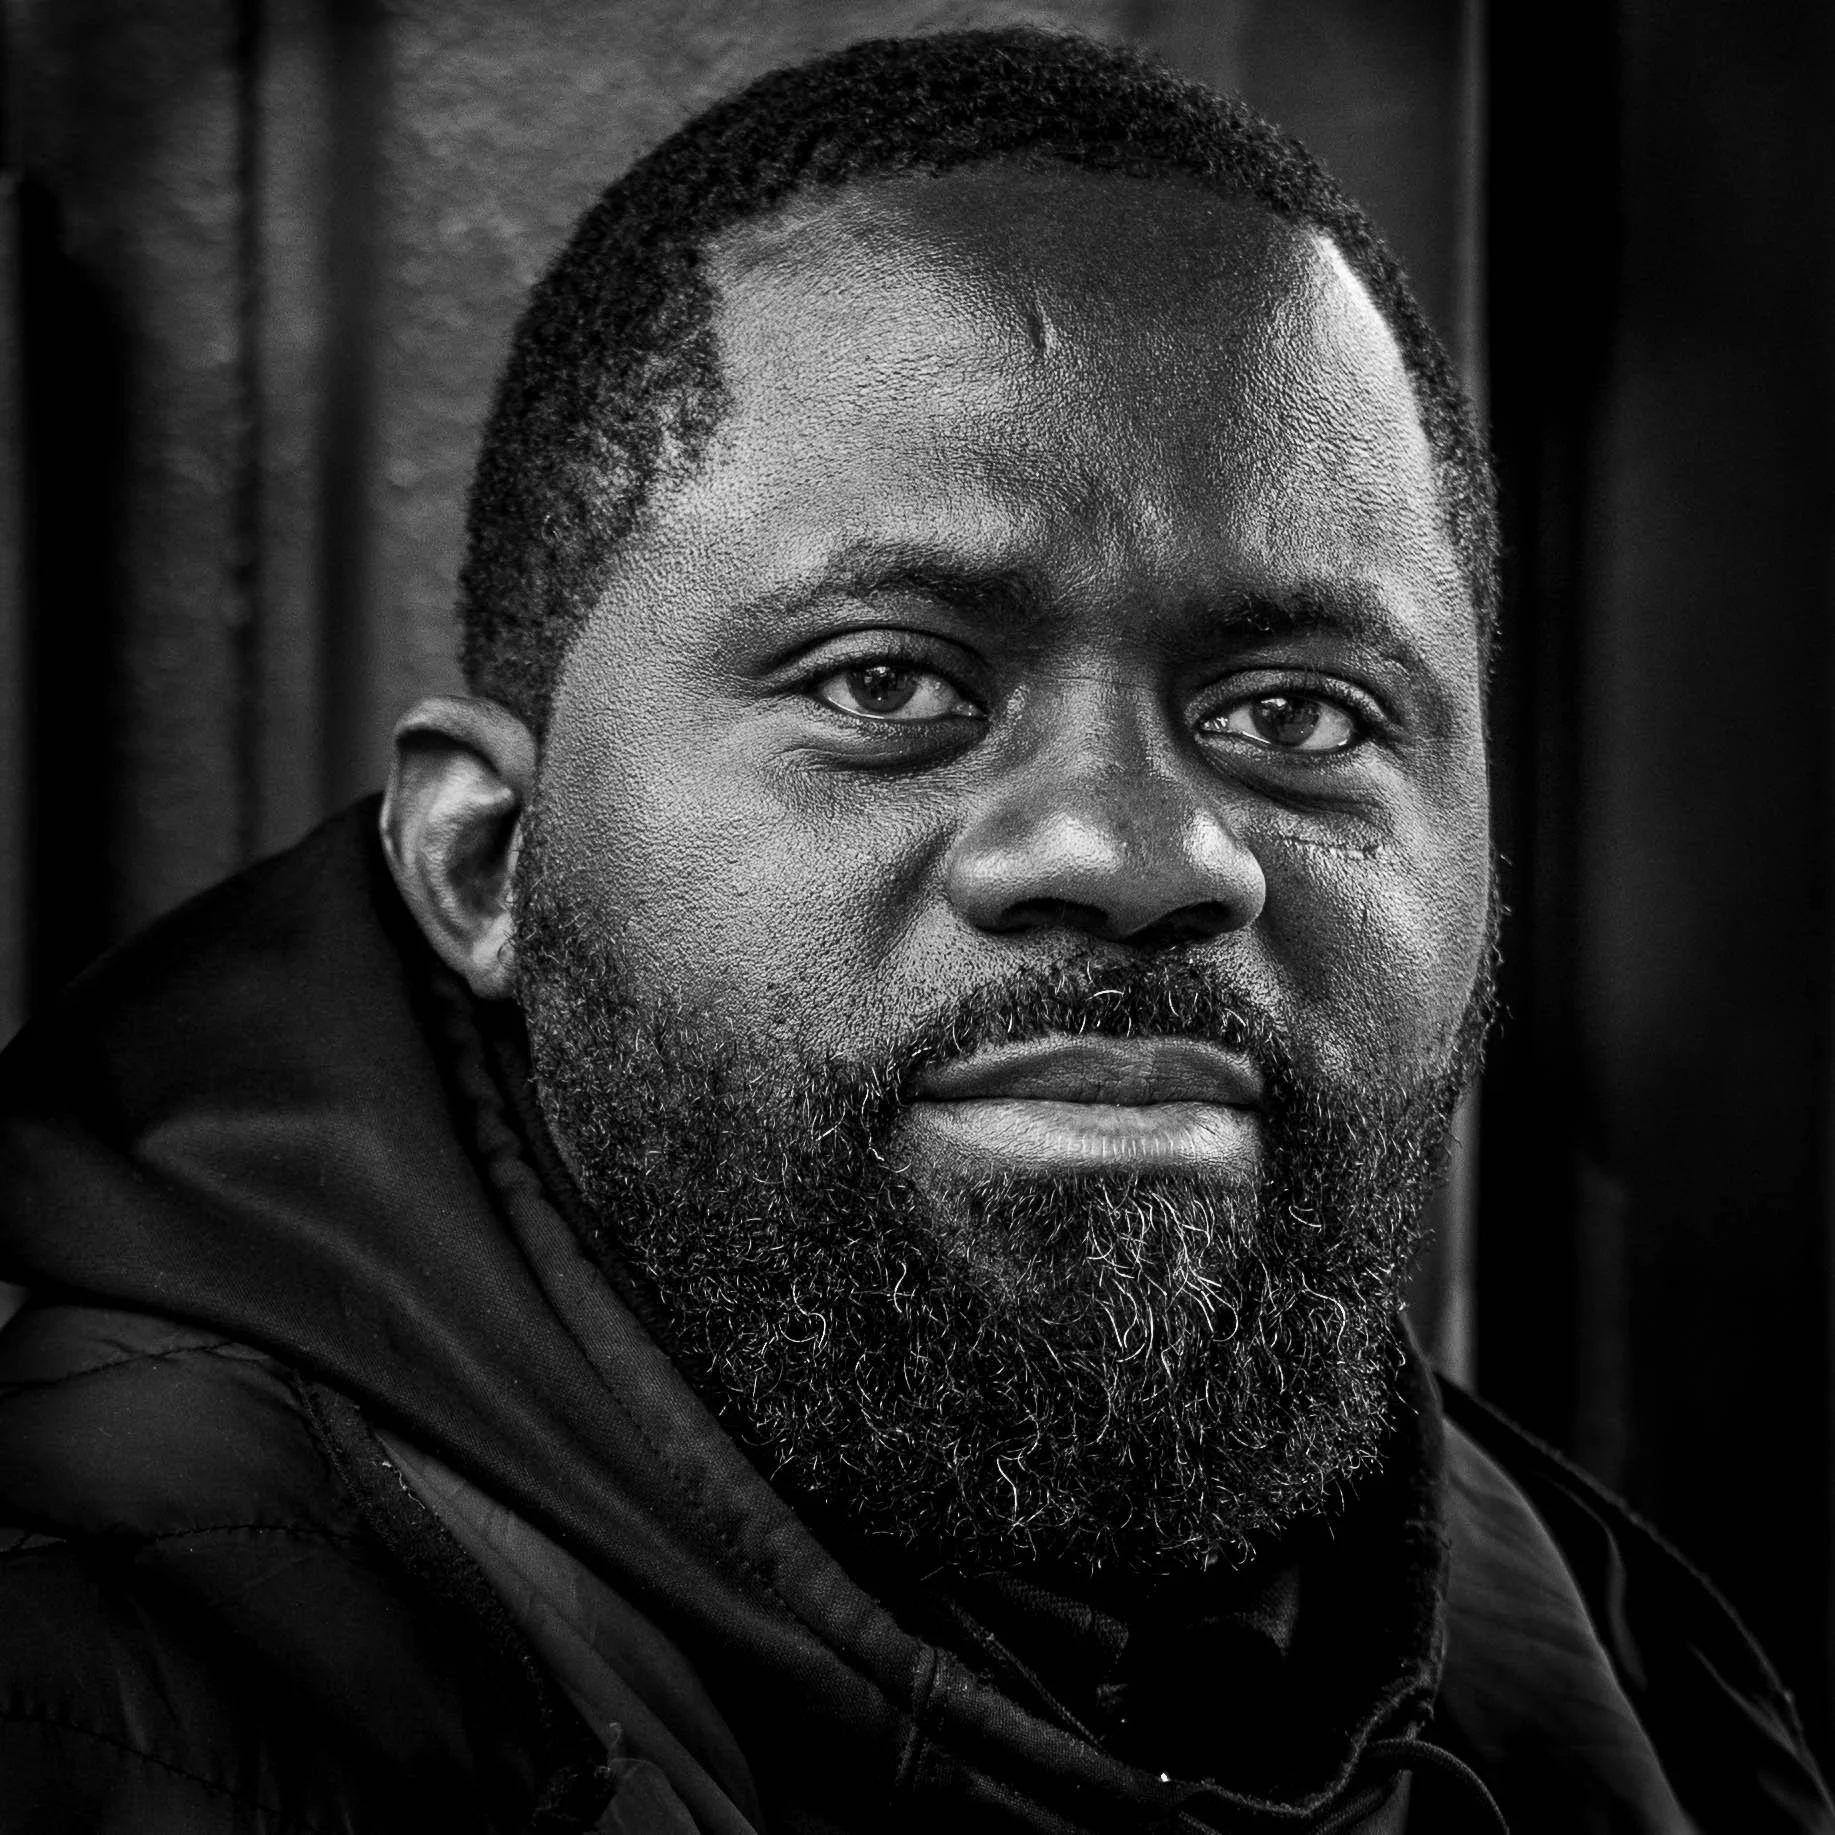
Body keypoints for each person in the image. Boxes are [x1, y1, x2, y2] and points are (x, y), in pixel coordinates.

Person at [0, 26, 1826, 1834]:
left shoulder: (1627, 1685)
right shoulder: (104, 1675)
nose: (1135, 851)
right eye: (891, 681)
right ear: (487, 865)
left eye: (1295, 715)